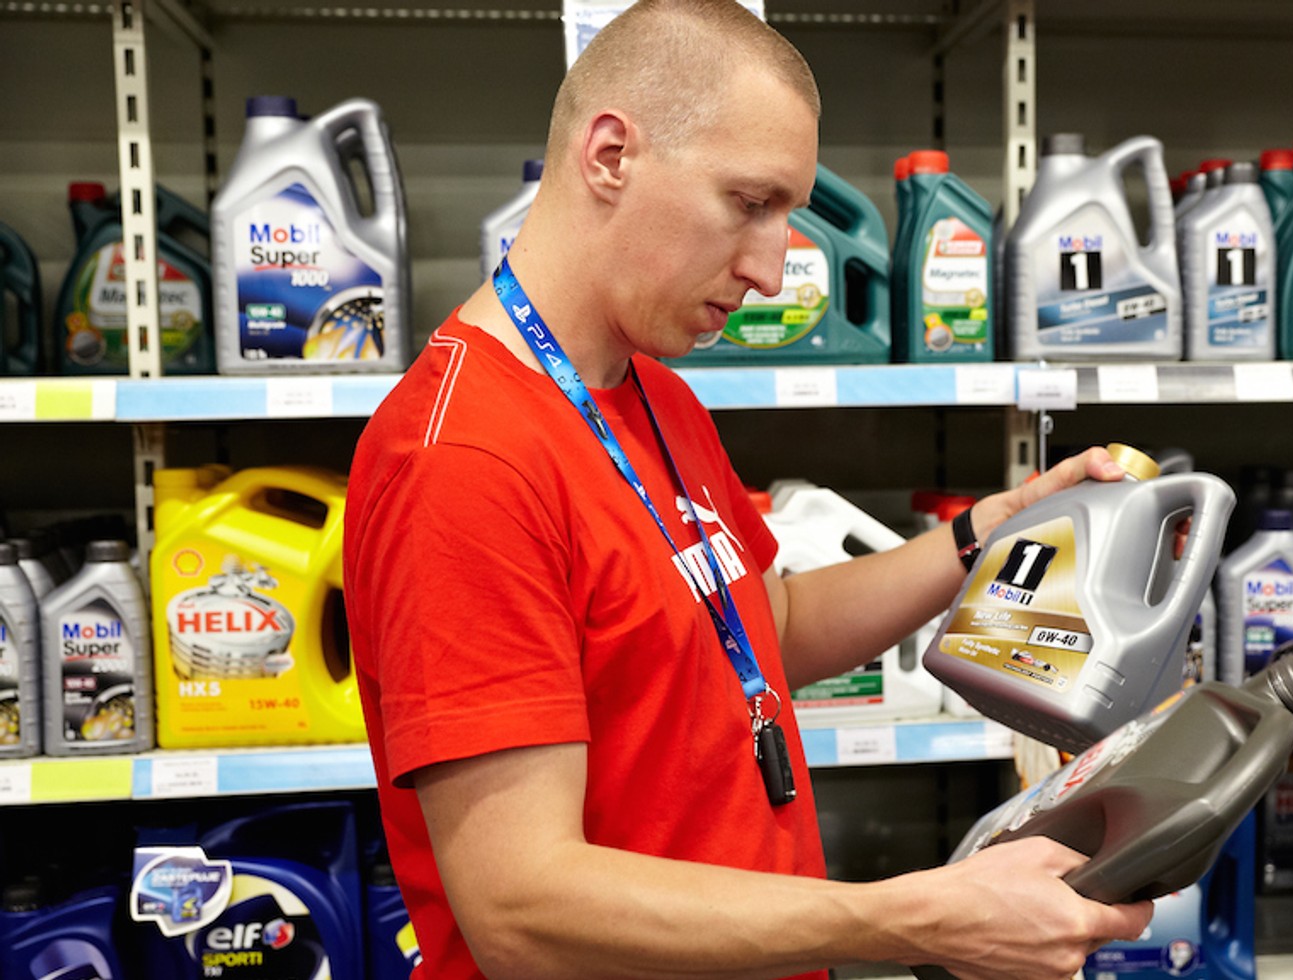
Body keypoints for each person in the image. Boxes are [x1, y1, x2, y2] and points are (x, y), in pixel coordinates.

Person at [343, 2, 1151, 978]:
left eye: (789, 215)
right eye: (750, 202)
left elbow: (771, 625)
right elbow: (521, 909)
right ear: (610, 155)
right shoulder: (461, 461)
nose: (772, 270)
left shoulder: (658, 398)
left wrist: (985, 533)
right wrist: (913, 917)